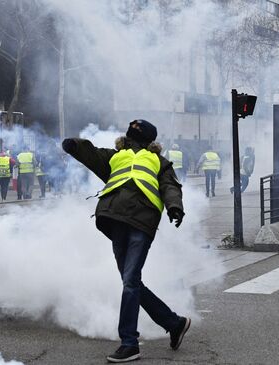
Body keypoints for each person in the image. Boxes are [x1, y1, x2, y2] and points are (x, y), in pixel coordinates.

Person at [62, 119, 190, 363]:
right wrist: (74, 145)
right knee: (131, 282)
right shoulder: (115, 157)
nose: (133, 141)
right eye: (131, 137)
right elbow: (91, 154)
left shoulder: (159, 162)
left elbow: (170, 186)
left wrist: (175, 207)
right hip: (115, 219)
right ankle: (174, 323)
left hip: (141, 222)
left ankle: (129, 343)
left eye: (136, 138)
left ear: (149, 142)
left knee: (130, 282)